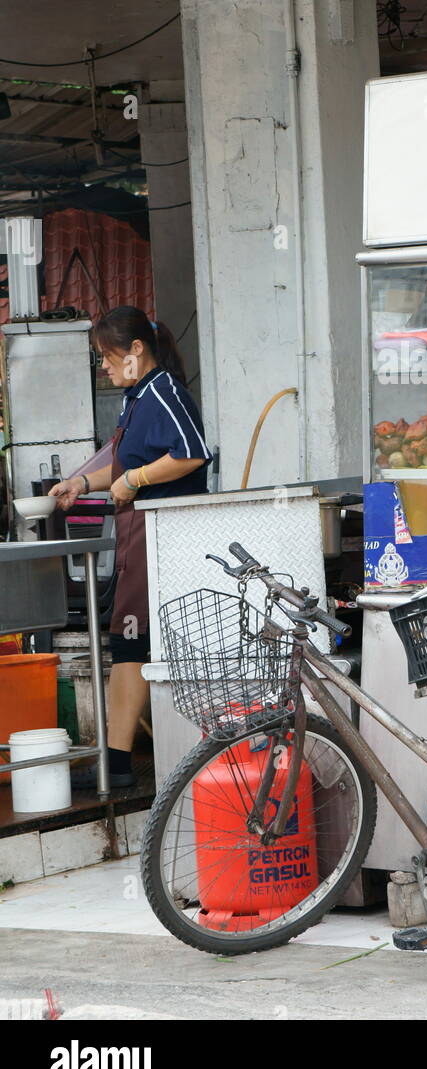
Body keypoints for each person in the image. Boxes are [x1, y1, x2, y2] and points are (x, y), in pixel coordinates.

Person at [50, 307, 211, 789]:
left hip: (161, 536)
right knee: (129, 644)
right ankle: (116, 762)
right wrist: (82, 481)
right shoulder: (135, 397)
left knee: (132, 644)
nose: (104, 365)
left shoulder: (164, 392)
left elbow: (191, 452)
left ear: (136, 350)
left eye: (108, 355)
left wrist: (135, 480)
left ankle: (118, 765)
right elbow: (125, 462)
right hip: (137, 534)